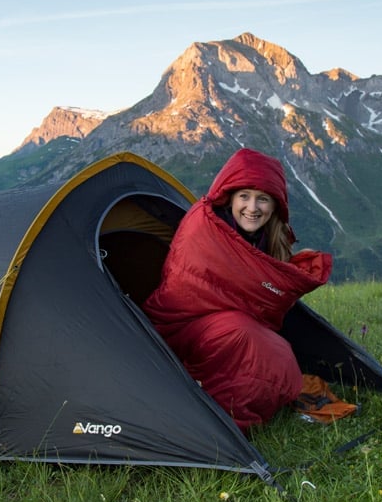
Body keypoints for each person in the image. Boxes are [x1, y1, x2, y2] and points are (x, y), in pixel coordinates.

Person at [142, 148, 333, 431]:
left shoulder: (268, 238)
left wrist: (289, 272)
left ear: (275, 205)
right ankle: (213, 424)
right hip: (176, 329)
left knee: (274, 356)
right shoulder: (205, 229)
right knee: (250, 345)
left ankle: (230, 407)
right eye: (244, 196)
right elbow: (195, 285)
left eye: (263, 199)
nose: (252, 207)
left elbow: (258, 292)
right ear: (229, 197)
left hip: (228, 324)